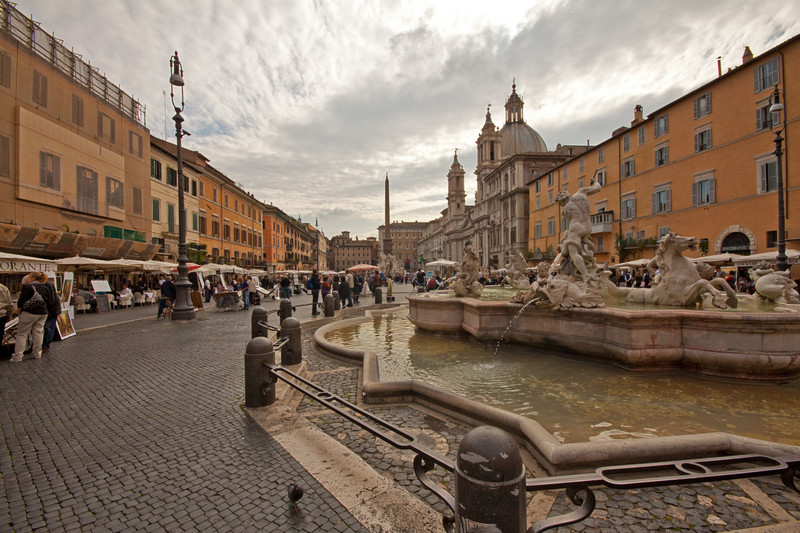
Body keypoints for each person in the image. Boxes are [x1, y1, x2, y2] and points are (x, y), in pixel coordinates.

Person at [12, 272, 51, 362]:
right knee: (38, 333)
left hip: (29, 313)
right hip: (42, 313)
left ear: (33, 278)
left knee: (22, 334)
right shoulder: (45, 287)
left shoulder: (28, 287)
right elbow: (48, 300)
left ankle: (17, 356)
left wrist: (18, 312)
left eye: (29, 277)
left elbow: (21, 301)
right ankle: (37, 353)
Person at [41, 277, 61, 352]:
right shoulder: (49, 285)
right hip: (52, 310)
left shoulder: (46, 286)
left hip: (51, 310)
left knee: (48, 328)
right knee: (48, 328)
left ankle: (45, 345)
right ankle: (45, 345)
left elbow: (50, 300)